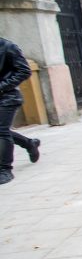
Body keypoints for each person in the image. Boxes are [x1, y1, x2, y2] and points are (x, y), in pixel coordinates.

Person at [0, 38, 41, 185]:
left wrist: (2, 86)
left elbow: (24, 71)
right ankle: (30, 144)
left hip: (7, 98)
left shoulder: (7, 46)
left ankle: (4, 169)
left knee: (1, 130)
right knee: (2, 130)